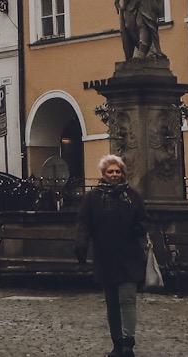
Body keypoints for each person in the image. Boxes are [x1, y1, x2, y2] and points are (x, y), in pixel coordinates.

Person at [74, 153, 148, 357]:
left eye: (117, 171)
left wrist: (139, 228)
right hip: (105, 257)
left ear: (122, 173)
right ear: (103, 174)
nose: (114, 174)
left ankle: (128, 344)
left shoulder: (132, 196)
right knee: (112, 303)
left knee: (127, 300)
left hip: (129, 257)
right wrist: (81, 245)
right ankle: (116, 343)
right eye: (110, 171)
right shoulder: (93, 198)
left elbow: (144, 219)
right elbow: (84, 223)